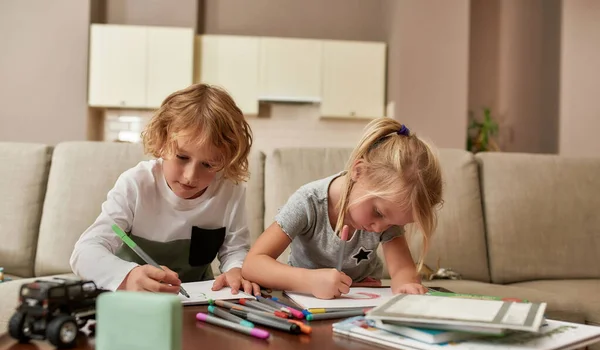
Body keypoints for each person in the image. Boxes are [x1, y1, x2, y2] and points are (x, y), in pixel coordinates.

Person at [70, 83, 261, 296]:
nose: (190, 176)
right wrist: (129, 275)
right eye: (182, 157)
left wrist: (235, 269)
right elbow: (84, 253)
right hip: (136, 299)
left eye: (208, 165)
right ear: (162, 141)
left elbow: (235, 249)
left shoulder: (229, 191)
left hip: (196, 302)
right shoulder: (136, 184)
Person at [242, 117, 443, 299]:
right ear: (359, 171)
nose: (381, 228)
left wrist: (407, 286)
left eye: (395, 223)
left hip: (358, 303)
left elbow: (402, 271)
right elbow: (253, 264)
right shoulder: (307, 202)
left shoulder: (387, 214)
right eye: (378, 213)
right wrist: (309, 281)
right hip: (304, 302)